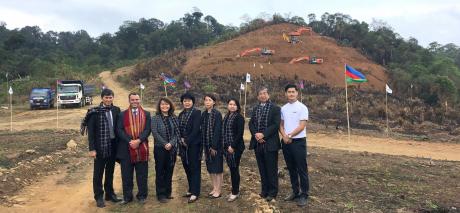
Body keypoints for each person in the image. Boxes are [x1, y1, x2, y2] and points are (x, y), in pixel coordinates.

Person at [87, 88, 122, 208]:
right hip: (100, 146)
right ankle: (99, 197)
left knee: (110, 171)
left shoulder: (116, 110)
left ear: (113, 98)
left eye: (110, 97)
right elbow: (91, 132)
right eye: (106, 97)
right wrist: (92, 149)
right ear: (102, 98)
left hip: (113, 145)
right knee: (98, 173)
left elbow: (119, 128)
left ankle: (109, 194)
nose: (108, 99)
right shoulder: (94, 112)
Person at [116, 92, 151, 204]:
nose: (135, 101)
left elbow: (147, 129)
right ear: (129, 101)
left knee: (142, 174)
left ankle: (142, 196)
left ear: (139, 100)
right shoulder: (122, 115)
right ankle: (127, 197)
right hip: (126, 148)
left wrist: (139, 140)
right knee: (126, 175)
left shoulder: (146, 114)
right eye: (133, 100)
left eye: (137, 99)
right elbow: (119, 130)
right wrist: (130, 141)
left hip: (141, 148)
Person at [249, 87, 281, 202]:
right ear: (258, 96)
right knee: (262, 168)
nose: (262, 95)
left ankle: (272, 192)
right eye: (260, 94)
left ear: (268, 95)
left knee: (271, 169)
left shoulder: (275, 108)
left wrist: (263, 135)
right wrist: (256, 135)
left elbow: (275, 124)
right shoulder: (255, 108)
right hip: (258, 144)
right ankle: (264, 190)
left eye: (264, 93)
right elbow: (251, 123)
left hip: (270, 143)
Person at [279, 84, 309, 207]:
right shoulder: (283, 108)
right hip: (286, 142)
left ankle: (304, 194)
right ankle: (295, 191)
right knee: (291, 168)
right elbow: (280, 124)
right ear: (285, 94)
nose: (291, 94)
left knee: (301, 168)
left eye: (293, 91)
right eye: (288, 92)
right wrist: (284, 135)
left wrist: (289, 136)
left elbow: (302, 125)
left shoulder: (302, 107)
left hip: (298, 141)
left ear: (297, 93)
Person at [151, 97, 181, 203]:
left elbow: (177, 134)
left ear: (170, 105)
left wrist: (171, 144)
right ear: (159, 106)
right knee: (160, 171)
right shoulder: (155, 118)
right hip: (160, 148)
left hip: (172, 149)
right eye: (162, 104)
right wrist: (165, 144)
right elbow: (155, 132)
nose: (165, 106)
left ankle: (168, 192)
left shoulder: (174, 117)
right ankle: (161, 194)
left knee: (169, 170)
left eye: (167, 104)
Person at [177, 93, 202, 203]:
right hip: (183, 146)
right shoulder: (181, 114)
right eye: (185, 101)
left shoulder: (197, 113)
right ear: (182, 102)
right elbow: (179, 129)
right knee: (187, 167)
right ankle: (191, 189)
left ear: (192, 102)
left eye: (189, 101)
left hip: (194, 145)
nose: (187, 103)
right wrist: (181, 140)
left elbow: (196, 129)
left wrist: (187, 140)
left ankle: (195, 193)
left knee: (195, 168)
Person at [221, 98, 245, 202]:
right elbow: (223, 132)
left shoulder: (239, 117)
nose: (232, 106)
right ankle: (234, 189)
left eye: (234, 104)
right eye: (230, 104)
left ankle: (235, 192)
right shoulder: (226, 117)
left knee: (234, 169)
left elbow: (239, 134)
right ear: (228, 105)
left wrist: (233, 147)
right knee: (231, 168)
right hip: (227, 147)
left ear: (237, 106)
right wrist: (227, 146)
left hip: (236, 148)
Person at [200, 94, 223, 198]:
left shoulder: (217, 114)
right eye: (206, 100)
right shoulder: (203, 114)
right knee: (210, 169)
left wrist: (213, 146)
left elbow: (218, 130)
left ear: (214, 102)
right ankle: (214, 188)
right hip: (206, 145)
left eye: (210, 100)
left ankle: (218, 190)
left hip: (216, 146)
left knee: (217, 169)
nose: (207, 102)